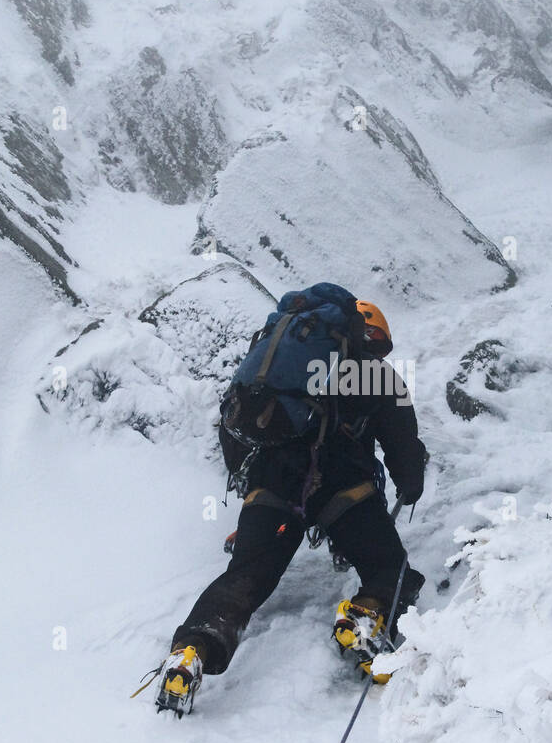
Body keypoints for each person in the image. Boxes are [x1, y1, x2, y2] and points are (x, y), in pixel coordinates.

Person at [159, 293, 427, 711]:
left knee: (247, 574)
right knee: (390, 569)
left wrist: (251, 485)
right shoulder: (379, 376)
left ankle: (193, 649)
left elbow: (235, 426)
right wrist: (410, 486)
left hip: (272, 485)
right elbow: (403, 447)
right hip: (343, 491)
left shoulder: (279, 369)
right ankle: (365, 615)